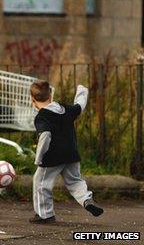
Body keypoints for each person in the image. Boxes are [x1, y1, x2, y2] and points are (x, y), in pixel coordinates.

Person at [29, 79, 104, 224]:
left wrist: (39, 158)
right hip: (71, 155)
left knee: (40, 183)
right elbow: (80, 105)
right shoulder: (65, 109)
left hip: (52, 158)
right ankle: (87, 200)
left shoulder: (42, 117)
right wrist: (82, 90)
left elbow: (45, 136)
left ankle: (45, 215)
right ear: (51, 95)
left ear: (32, 100)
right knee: (75, 182)